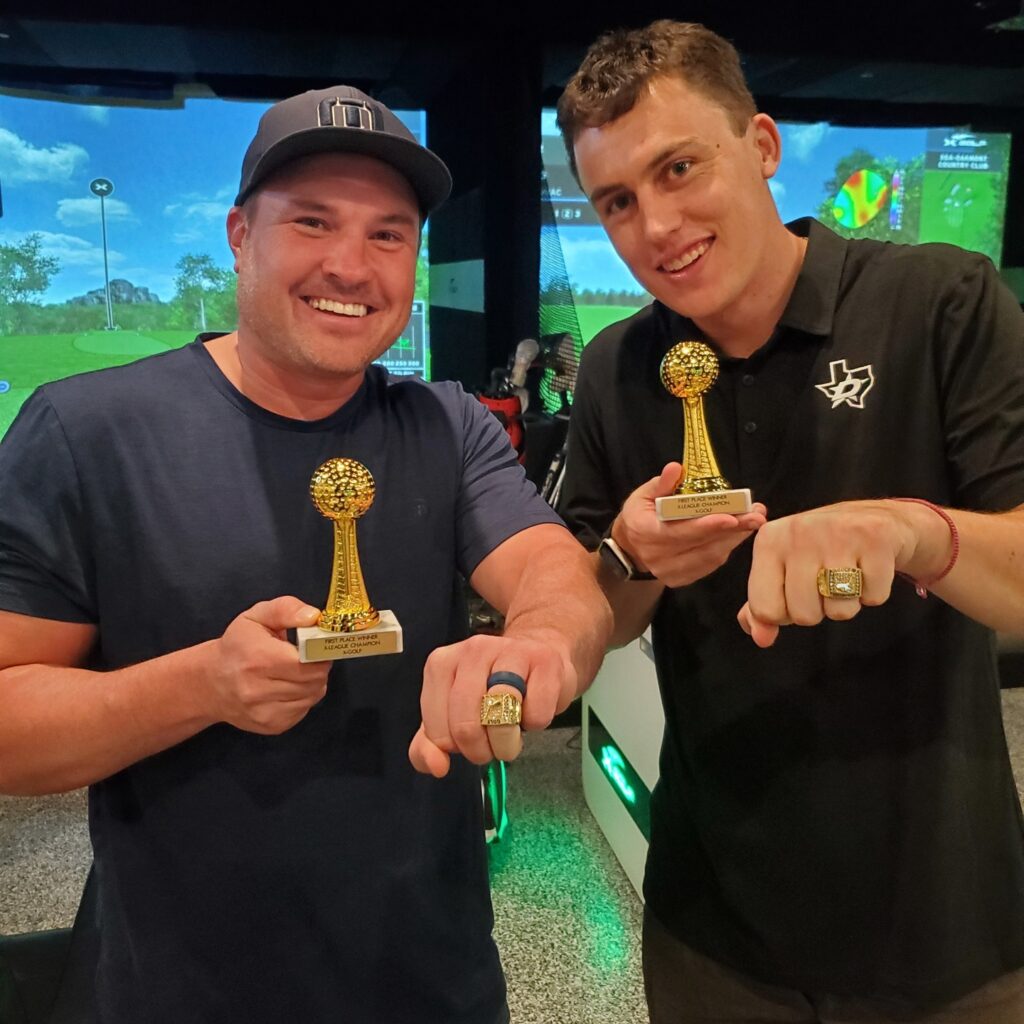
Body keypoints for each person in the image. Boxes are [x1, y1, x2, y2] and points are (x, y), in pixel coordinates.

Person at [0, 85, 611, 1024]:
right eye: (313, 222)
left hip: (431, 979)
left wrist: (540, 646)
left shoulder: (445, 424)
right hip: (180, 988)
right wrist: (203, 683)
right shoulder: (88, 432)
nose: (350, 265)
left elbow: (550, 572)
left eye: (387, 234)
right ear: (241, 234)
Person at [556, 20, 1024, 1024]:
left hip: (948, 934)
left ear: (762, 147)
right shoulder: (619, 368)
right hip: (711, 932)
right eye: (618, 202)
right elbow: (600, 614)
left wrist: (916, 533)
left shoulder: (939, 303)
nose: (657, 225)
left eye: (680, 167)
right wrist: (632, 556)